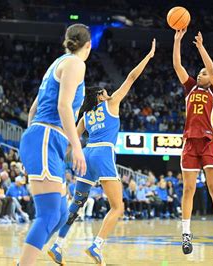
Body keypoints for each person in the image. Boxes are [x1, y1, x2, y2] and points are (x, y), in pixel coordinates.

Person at [49, 39, 155, 265]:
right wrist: (149, 56)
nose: (109, 93)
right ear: (100, 96)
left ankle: (58, 245)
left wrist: (58, 158)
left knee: (77, 204)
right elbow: (131, 78)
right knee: (118, 207)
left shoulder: (86, 116)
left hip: (86, 154)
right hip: (103, 153)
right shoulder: (112, 103)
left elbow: (72, 140)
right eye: (106, 92)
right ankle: (96, 245)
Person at [17, 24, 91, 265]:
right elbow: (63, 106)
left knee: (60, 215)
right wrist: (77, 146)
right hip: (45, 138)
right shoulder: (76, 64)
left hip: (46, 140)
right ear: (88, 45)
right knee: (49, 214)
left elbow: (33, 110)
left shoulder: (58, 63)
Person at [173, 28, 213, 256]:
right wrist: (177, 41)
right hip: (189, 142)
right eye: (199, 72)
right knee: (188, 189)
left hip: (208, 141)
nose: (200, 75)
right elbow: (178, 66)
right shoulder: (190, 89)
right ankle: (186, 234)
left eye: (204, 73)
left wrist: (200, 47)